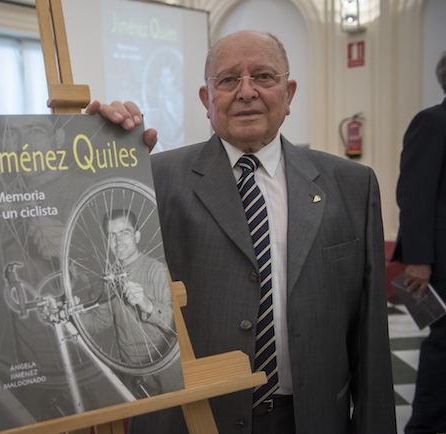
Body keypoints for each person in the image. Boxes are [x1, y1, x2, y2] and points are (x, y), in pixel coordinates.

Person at [88, 30, 395, 434]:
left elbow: (369, 338)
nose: (246, 91)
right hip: (191, 420)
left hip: (311, 420)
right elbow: (92, 255)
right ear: (206, 99)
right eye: (228, 79)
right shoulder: (154, 178)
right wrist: (97, 154)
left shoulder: (351, 185)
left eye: (264, 77)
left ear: (289, 92)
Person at [393, 51, 446, 434]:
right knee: (444, 347)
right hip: (441, 259)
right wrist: (418, 259)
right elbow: (415, 194)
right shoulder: (432, 122)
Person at [76, 209, 179, 396]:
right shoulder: (108, 276)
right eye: (112, 235)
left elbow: (178, 326)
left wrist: (147, 304)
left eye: (125, 233)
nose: (118, 241)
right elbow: (101, 322)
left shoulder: (157, 270)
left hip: (163, 370)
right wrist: (75, 315)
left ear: (137, 236)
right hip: (130, 372)